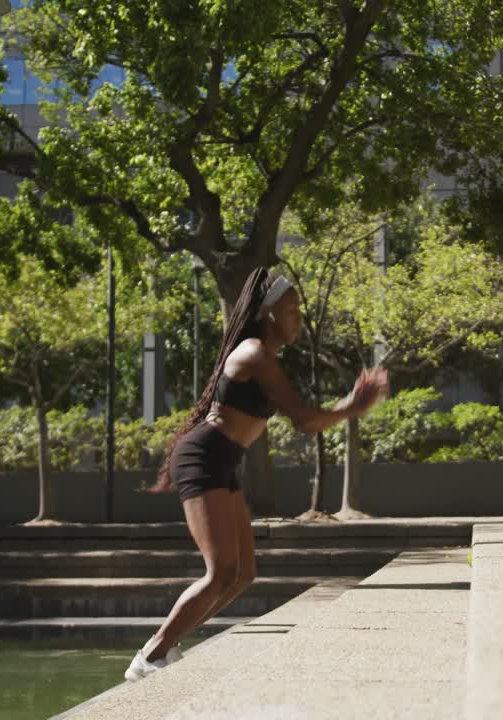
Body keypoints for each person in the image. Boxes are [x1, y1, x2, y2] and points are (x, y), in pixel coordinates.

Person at [125, 266, 389, 682]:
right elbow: (304, 420)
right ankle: (150, 656)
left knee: (243, 574)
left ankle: (167, 646)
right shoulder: (252, 353)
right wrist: (354, 406)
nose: (298, 317)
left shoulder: (265, 357)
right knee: (220, 572)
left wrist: (351, 404)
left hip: (224, 460)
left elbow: (308, 417)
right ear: (269, 314)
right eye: (292, 308)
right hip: (203, 458)